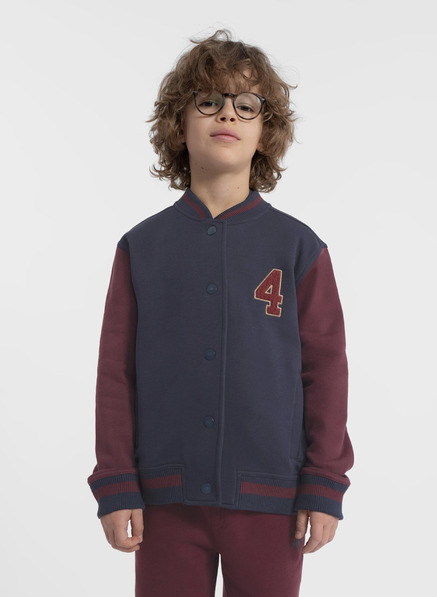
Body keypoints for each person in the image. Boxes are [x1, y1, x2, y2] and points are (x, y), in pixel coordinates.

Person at [87, 28, 354, 597]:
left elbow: (326, 369)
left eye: (246, 104)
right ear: (179, 124)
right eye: (208, 100)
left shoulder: (299, 249)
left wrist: (324, 482)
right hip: (163, 501)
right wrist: (115, 482)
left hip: (273, 500)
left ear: (265, 130)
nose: (227, 113)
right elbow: (115, 374)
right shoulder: (141, 248)